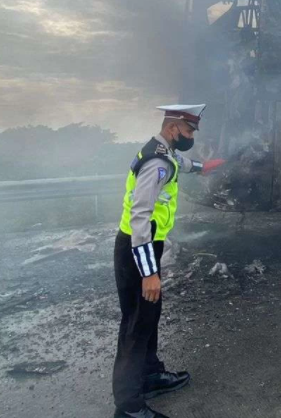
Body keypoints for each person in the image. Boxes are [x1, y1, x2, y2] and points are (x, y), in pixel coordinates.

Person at [113, 104, 223, 418]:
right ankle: (128, 406)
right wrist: (149, 273)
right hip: (137, 249)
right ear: (174, 128)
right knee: (135, 326)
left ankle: (149, 375)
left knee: (149, 315)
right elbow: (140, 218)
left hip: (146, 247)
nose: (191, 137)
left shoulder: (164, 152)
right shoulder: (156, 162)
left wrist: (205, 166)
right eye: (189, 131)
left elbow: (181, 163)